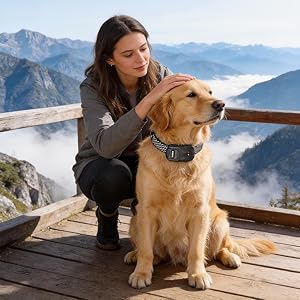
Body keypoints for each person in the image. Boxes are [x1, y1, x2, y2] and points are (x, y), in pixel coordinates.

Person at [72, 15, 194, 250]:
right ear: (109, 59)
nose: (141, 59)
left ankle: (151, 227)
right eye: (128, 55)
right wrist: (148, 101)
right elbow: (106, 146)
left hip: (147, 160)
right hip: (100, 165)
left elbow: (185, 114)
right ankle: (107, 216)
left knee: (163, 169)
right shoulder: (92, 87)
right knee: (113, 174)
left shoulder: (161, 76)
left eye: (143, 48)